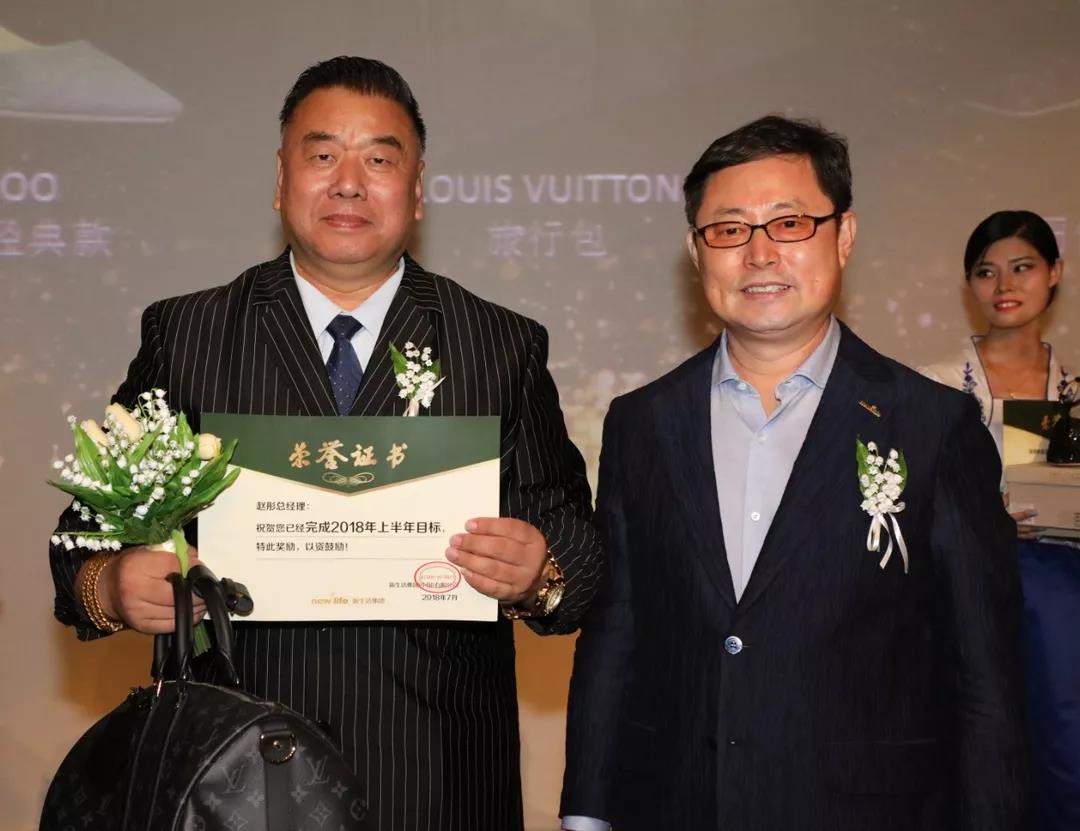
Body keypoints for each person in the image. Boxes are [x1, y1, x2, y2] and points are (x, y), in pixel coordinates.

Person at [49, 56, 603, 831]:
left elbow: (579, 552)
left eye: (378, 159)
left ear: (417, 189)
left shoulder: (497, 344)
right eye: (322, 155)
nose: (348, 183)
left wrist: (538, 570)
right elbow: (82, 542)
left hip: (438, 779)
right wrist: (112, 586)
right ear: (281, 179)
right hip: (232, 781)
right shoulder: (192, 334)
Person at [560, 116, 1027, 830]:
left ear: (843, 236)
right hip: (676, 804)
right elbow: (615, 634)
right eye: (729, 230)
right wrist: (586, 814)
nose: (759, 253)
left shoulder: (933, 425)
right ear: (696, 251)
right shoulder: (643, 422)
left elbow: (985, 673)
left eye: (789, 223)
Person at [920, 210, 1079, 831]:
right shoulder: (932, 389)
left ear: (1054, 273)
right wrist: (984, 518)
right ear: (969, 285)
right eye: (986, 272)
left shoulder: (1075, 389)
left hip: (1063, 588)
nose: (1005, 285)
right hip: (969, 586)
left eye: (1022, 267)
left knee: (1062, 737)